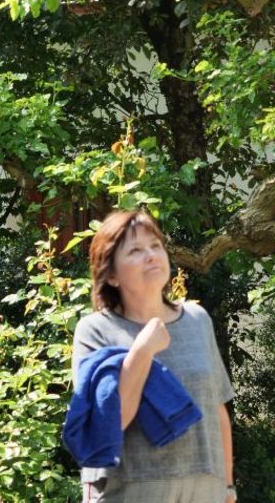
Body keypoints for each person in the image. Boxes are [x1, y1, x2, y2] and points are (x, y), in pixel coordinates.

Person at [70, 208, 236, 503]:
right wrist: (142, 351)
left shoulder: (197, 319)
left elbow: (218, 409)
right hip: (130, 491)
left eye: (155, 246)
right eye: (135, 250)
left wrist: (228, 485)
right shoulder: (96, 330)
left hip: (204, 490)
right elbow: (109, 423)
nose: (151, 256)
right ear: (111, 275)